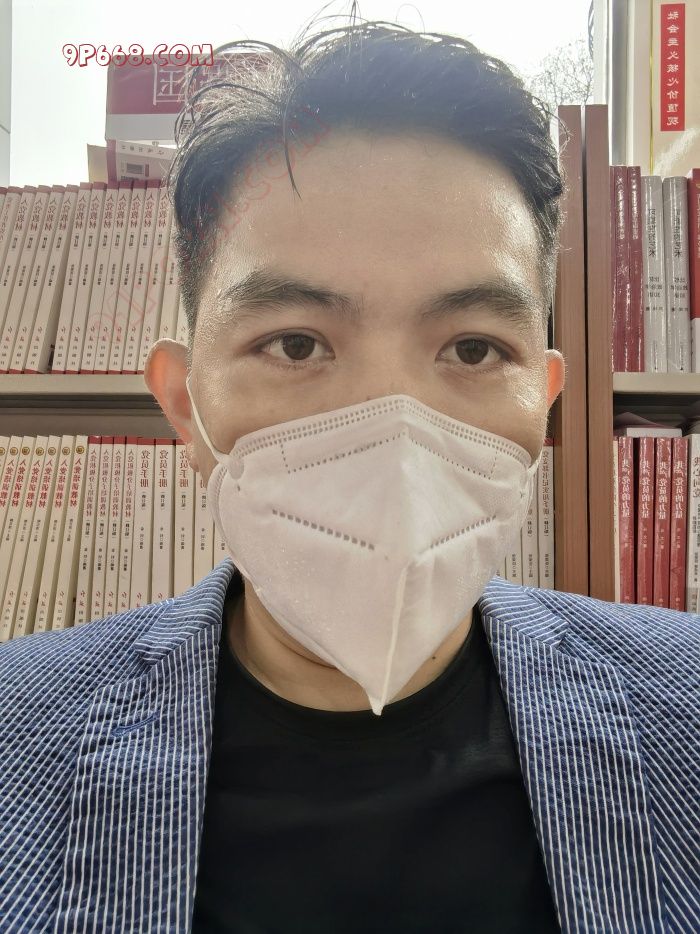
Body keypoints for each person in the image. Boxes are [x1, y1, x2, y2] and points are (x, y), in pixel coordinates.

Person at [1, 9, 698, 934]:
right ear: (184, 405)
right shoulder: (16, 735)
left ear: (544, 399)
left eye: (474, 349)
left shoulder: (685, 706)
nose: (390, 426)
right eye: (296, 343)